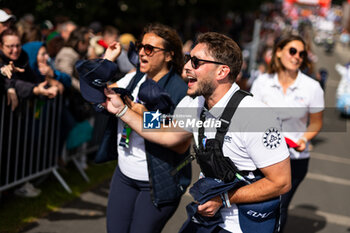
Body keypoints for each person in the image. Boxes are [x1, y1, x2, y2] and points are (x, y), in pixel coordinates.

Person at [103, 32, 291, 232]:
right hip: (207, 218)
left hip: (243, 224)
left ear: (222, 72)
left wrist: (223, 199)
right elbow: (167, 131)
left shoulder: (255, 116)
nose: (185, 67)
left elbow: (281, 182)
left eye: (195, 62)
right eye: (187, 59)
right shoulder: (194, 103)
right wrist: (123, 110)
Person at [100, 23, 191, 233]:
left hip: (158, 182)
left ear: (169, 55)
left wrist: (142, 115)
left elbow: (181, 145)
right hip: (124, 176)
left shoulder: (181, 91)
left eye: (149, 49)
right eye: (140, 46)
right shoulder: (135, 77)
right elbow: (99, 94)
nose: (141, 52)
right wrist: (107, 60)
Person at [250, 34, 324, 232]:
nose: (297, 56)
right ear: (279, 52)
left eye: (301, 53)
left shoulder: (312, 87)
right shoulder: (261, 82)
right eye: (292, 51)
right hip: (261, 156)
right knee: (255, 206)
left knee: (279, 207)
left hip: (294, 159)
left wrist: (304, 139)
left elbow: (316, 123)